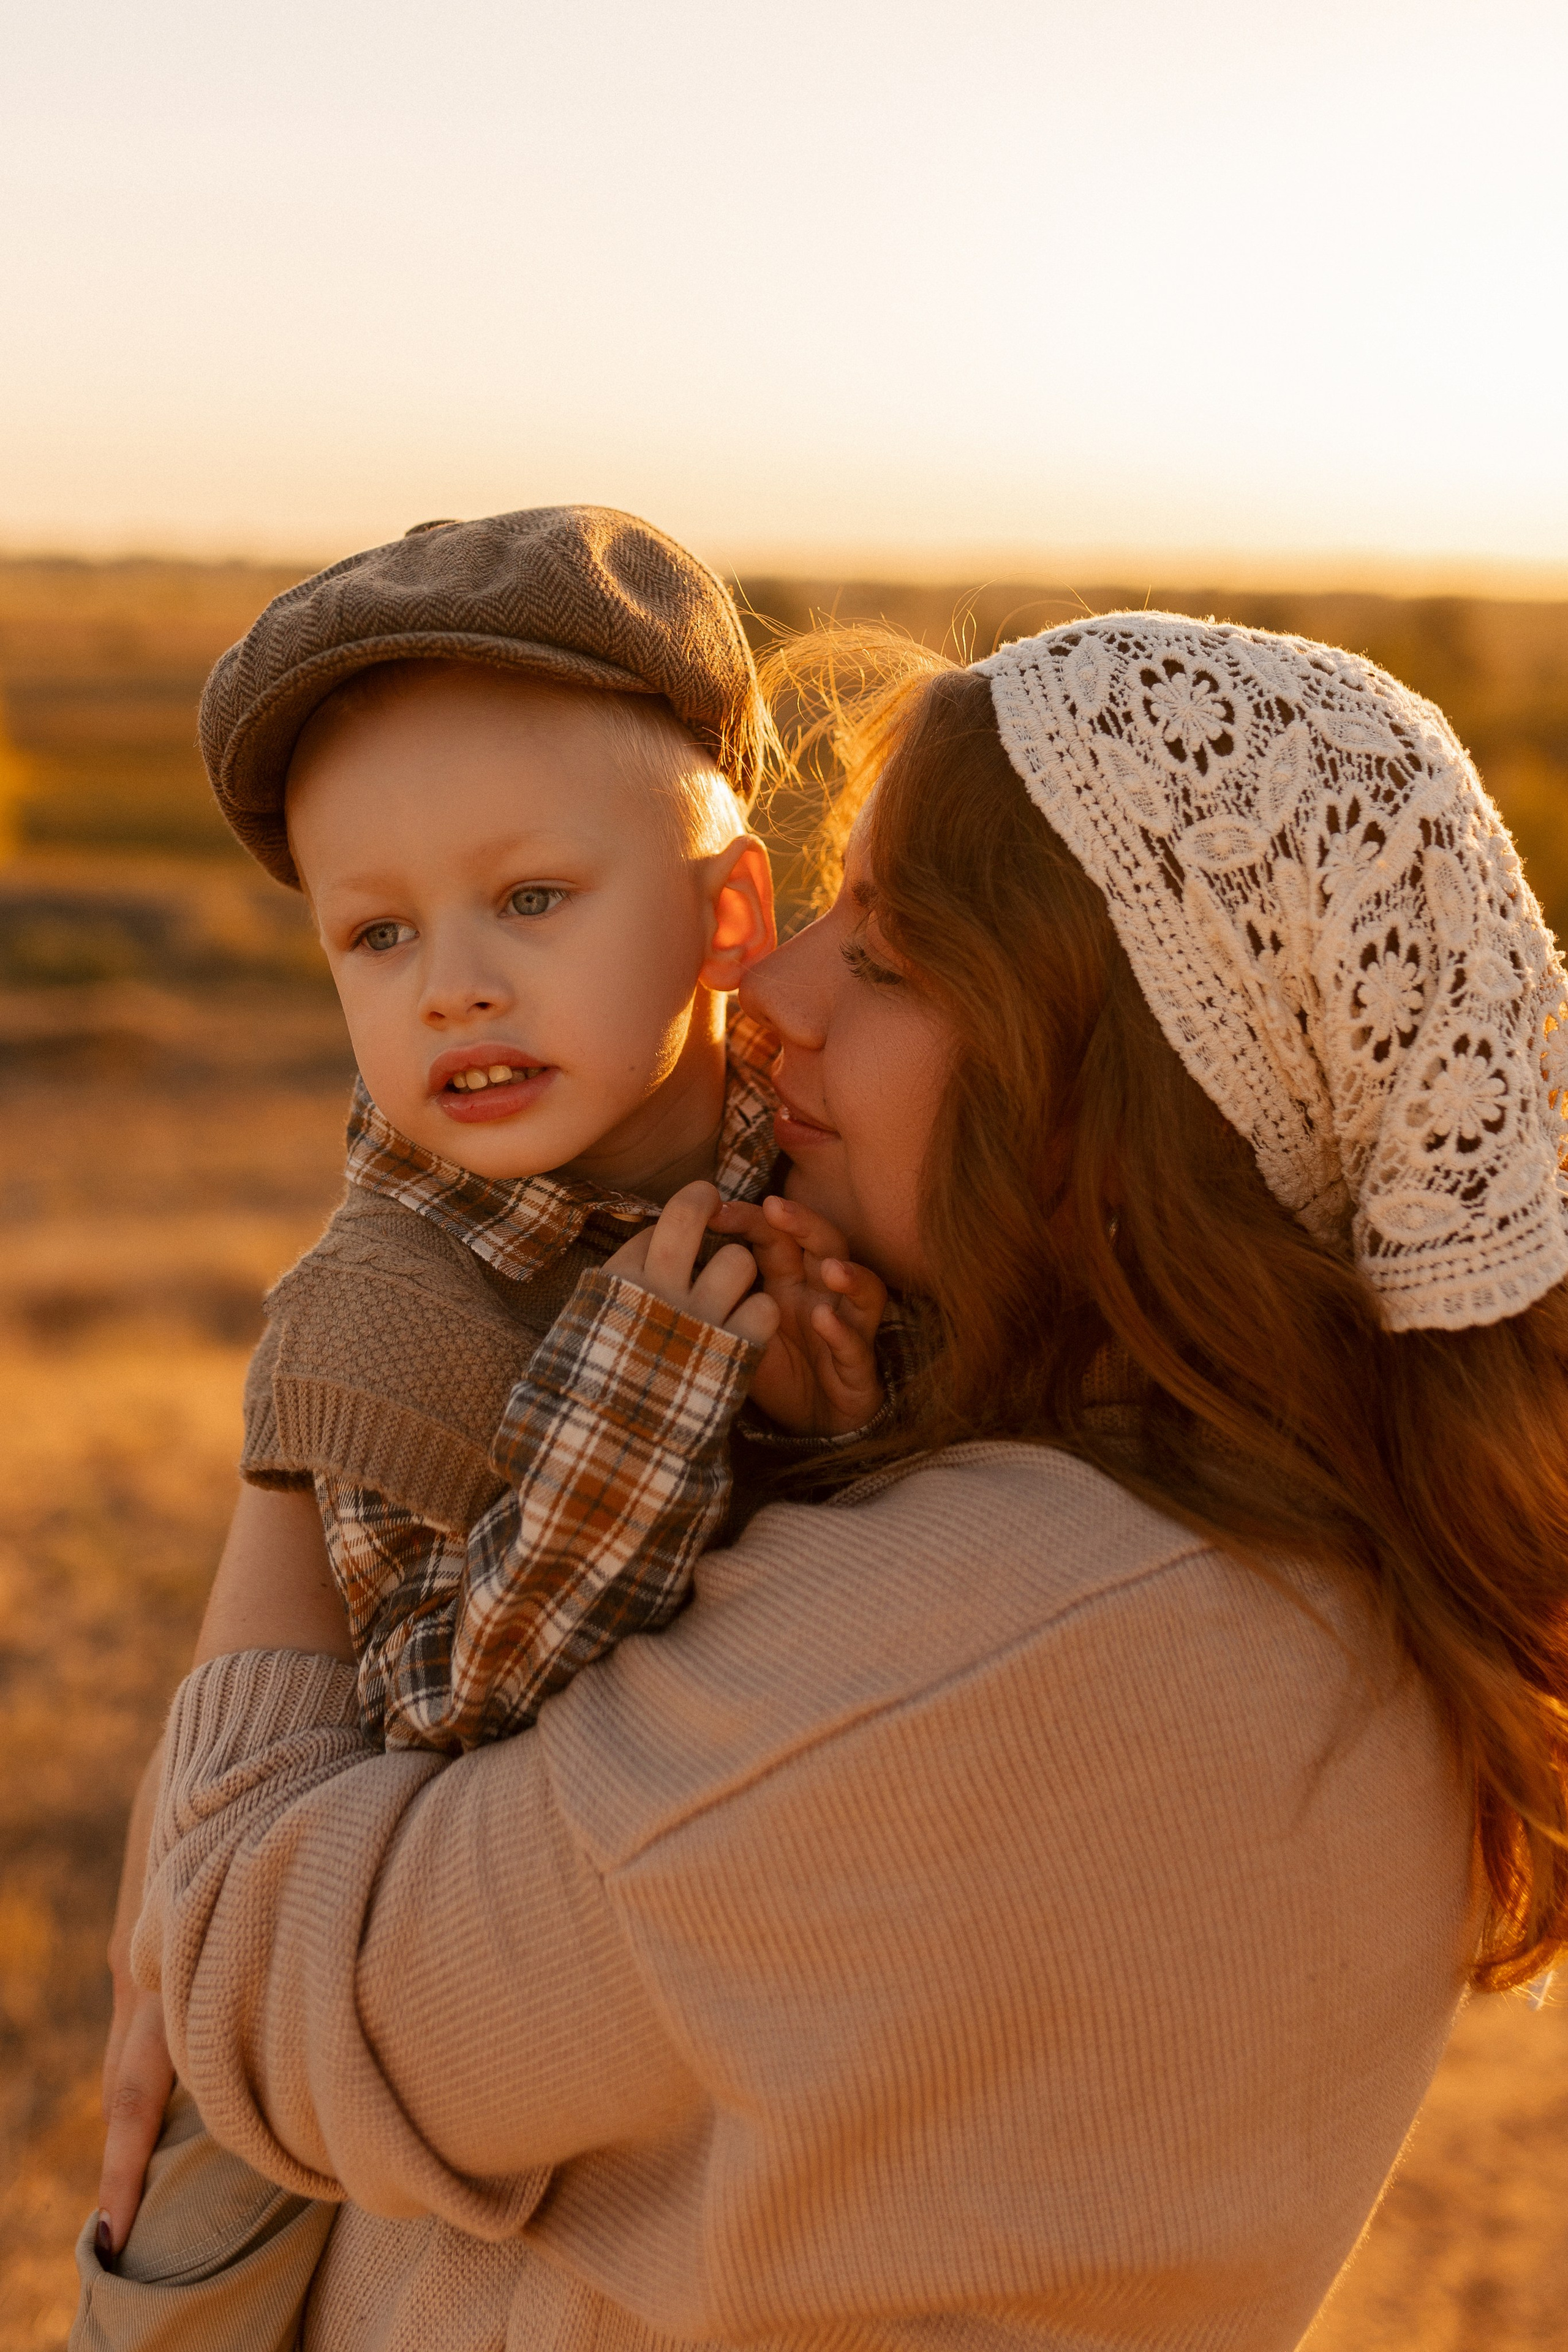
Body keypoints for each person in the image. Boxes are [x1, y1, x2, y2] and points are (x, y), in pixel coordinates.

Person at [104, 613, 1568, 2348]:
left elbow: (242, 1988)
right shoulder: (1261, 1555)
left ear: (1118, 1095)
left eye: (889, 954)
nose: (774, 990)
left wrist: (343, 1368)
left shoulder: (998, 1638)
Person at [78, 510, 890, 2330]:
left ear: (730, 912)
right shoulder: (390, 1309)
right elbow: (442, 1707)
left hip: (721, 2002)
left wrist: (832, 1410)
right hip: (347, 2001)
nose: (453, 981)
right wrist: (658, 1393)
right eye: (376, 934)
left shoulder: (816, 1150)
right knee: (194, 2210)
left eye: (532, 898)